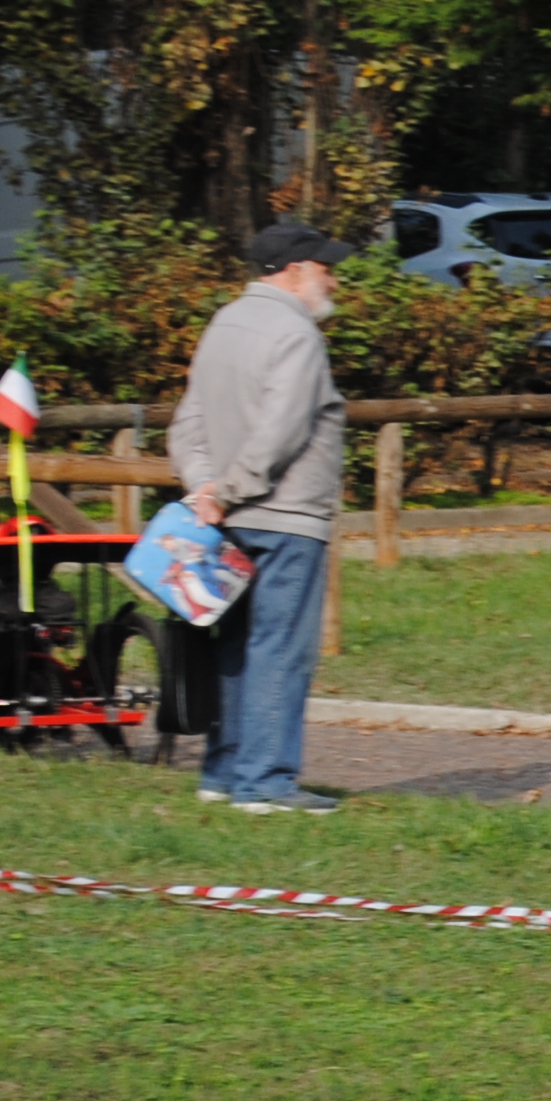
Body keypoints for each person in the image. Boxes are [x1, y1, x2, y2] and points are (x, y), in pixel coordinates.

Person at [171, 220, 351, 814]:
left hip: (227, 517)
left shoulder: (223, 324)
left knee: (234, 647)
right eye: (325, 267)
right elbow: (282, 430)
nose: (333, 280)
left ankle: (223, 773)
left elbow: (188, 424)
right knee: (281, 649)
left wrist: (204, 487)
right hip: (286, 514)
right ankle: (266, 782)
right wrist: (227, 490)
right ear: (294, 271)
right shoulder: (297, 333)